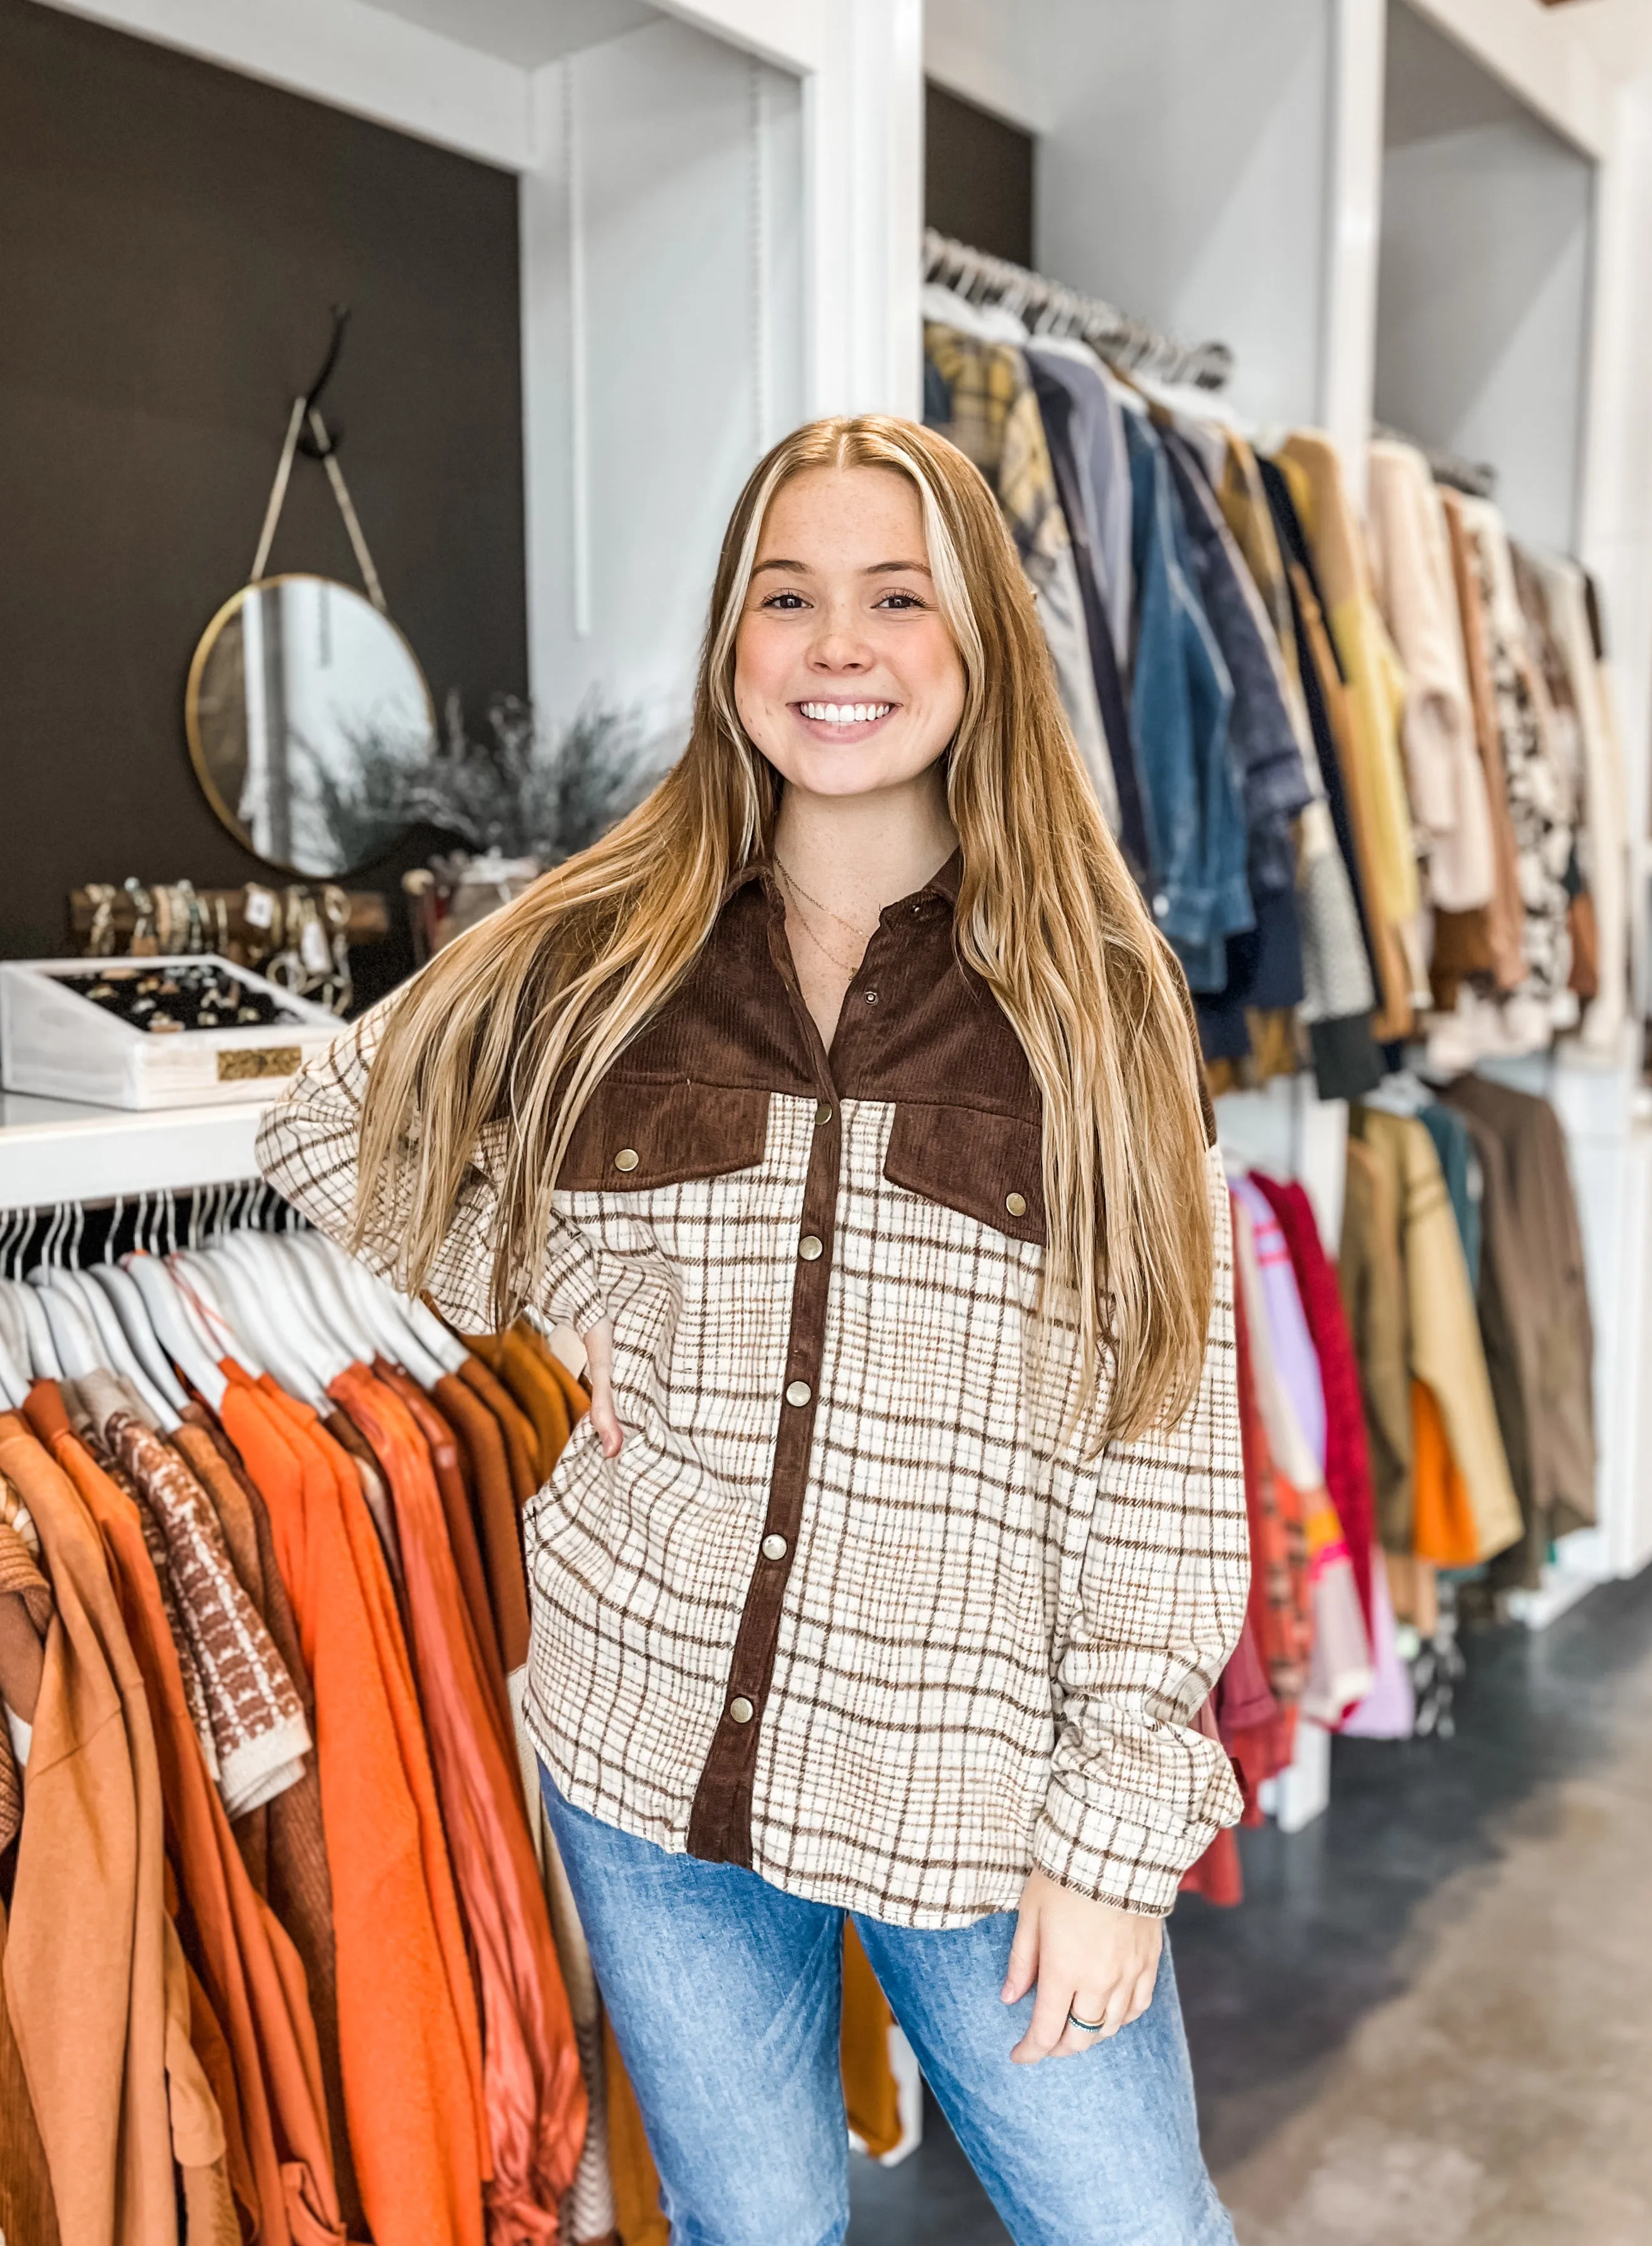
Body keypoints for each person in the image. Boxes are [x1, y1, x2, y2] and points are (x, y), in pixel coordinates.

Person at [259, 415, 1248, 2245]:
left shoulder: (1096, 1004)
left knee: (1135, 2226)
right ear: (734, 645)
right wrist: (544, 1281)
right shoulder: (606, 939)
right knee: (752, 2226)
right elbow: (330, 1115)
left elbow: (1163, 1431)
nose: (838, 645)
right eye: (788, 597)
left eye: (895, 597)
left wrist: (1115, 1828)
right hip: (648, 1738)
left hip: (973, 1776)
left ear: (980, 647)